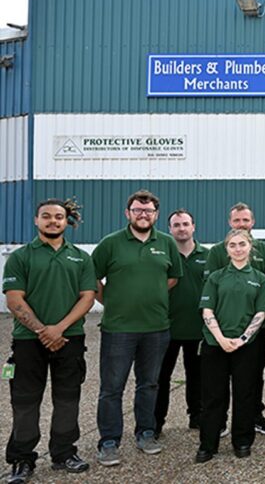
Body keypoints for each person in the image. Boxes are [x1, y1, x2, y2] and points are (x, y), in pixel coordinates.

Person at [2, 199, 96, 482]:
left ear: (67, 222)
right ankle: (22, 459)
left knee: (68, 398)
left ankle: (64, 452)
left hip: (70, 339)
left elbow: (87, 297)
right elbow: (14, 299)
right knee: (25, 401)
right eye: (47, 216)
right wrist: (43, 330)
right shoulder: (21, 257)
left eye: (59, 217)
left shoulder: (81, 257)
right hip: (28, 342)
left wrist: (60, 329)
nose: (53, 221)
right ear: (36, 221)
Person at [91, 190, 183, 466]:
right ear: (127, 213)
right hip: (118, 329)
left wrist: (149, 297)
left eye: (149, 211)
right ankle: (109, 441)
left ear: (156, 214)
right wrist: (113, 302)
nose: (143, 215)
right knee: (112, 387)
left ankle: (145, 433)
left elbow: (173, 278)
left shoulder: (166, 243)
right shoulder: (111, 244)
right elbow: (92, 278)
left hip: (156, 328)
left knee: (150, 384)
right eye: (137, 210)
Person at [195, 229, 265, 463]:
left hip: (246, 347)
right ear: (226, 249)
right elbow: (207, 310)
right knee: (213, 397)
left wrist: (242, 339)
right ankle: (208, 445)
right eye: (232, 245)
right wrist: (221, 340)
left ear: (250, 247)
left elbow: (261, 313)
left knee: (245, 394)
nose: (237, 249)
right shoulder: (216, 277)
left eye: (242, 244)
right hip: (215, 344)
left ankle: (242, 441)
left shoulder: (259, 278)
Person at [206, 202, 265, 436]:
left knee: (252, 377)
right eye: (237, 220)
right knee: (218, 382)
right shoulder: (218, 251)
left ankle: (254, 417)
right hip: (223, 327)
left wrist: (253, 307)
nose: (241, 224)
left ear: (253, 222)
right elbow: (213, 287)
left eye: (245, 220)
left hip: (254, 328)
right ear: (230, 223)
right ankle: (219, 422)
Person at [154, 209, 209, 437]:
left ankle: (196, 416)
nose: (181, 228)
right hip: (165, 327)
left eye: (185, 224)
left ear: (193, 226)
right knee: (160, 378)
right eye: (176, 225)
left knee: (197, 377)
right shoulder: (163, 256)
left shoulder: (208, 256)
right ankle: (155, 423)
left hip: (197, 328)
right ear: (170, 229)